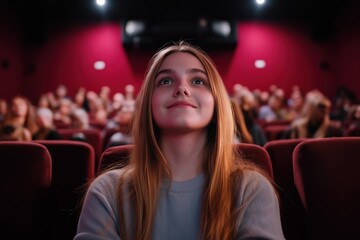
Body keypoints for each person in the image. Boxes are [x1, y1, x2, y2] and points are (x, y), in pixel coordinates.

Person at [74, 41, 284, 240]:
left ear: (216, 102)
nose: (182, 89)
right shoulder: (107, 192)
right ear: (149, 103)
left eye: (198, 81)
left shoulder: (252, 189)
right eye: (165, 81)